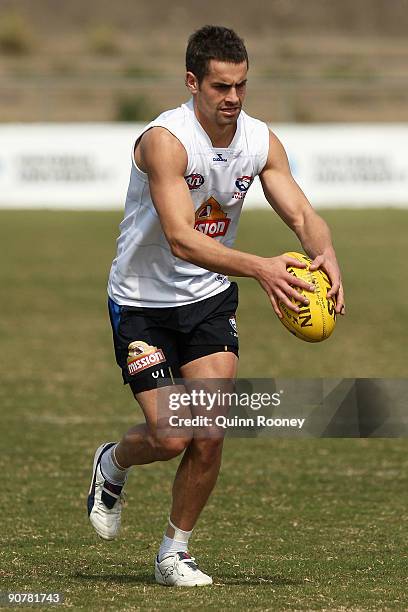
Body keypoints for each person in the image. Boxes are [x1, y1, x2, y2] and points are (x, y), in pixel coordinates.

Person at [87, 24, 345, 587]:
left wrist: (324, 253)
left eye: (241, 86)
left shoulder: (259, 141)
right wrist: (261, 268)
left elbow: (300, 213)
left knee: (210, 431)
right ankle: (112, 463)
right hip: (142, 302)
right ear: (192, 82)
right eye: (220, 87)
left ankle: (173, 552)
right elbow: (181, 238)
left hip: (207, 299)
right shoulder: (166, 140)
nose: (232, 98)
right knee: (171, 435)